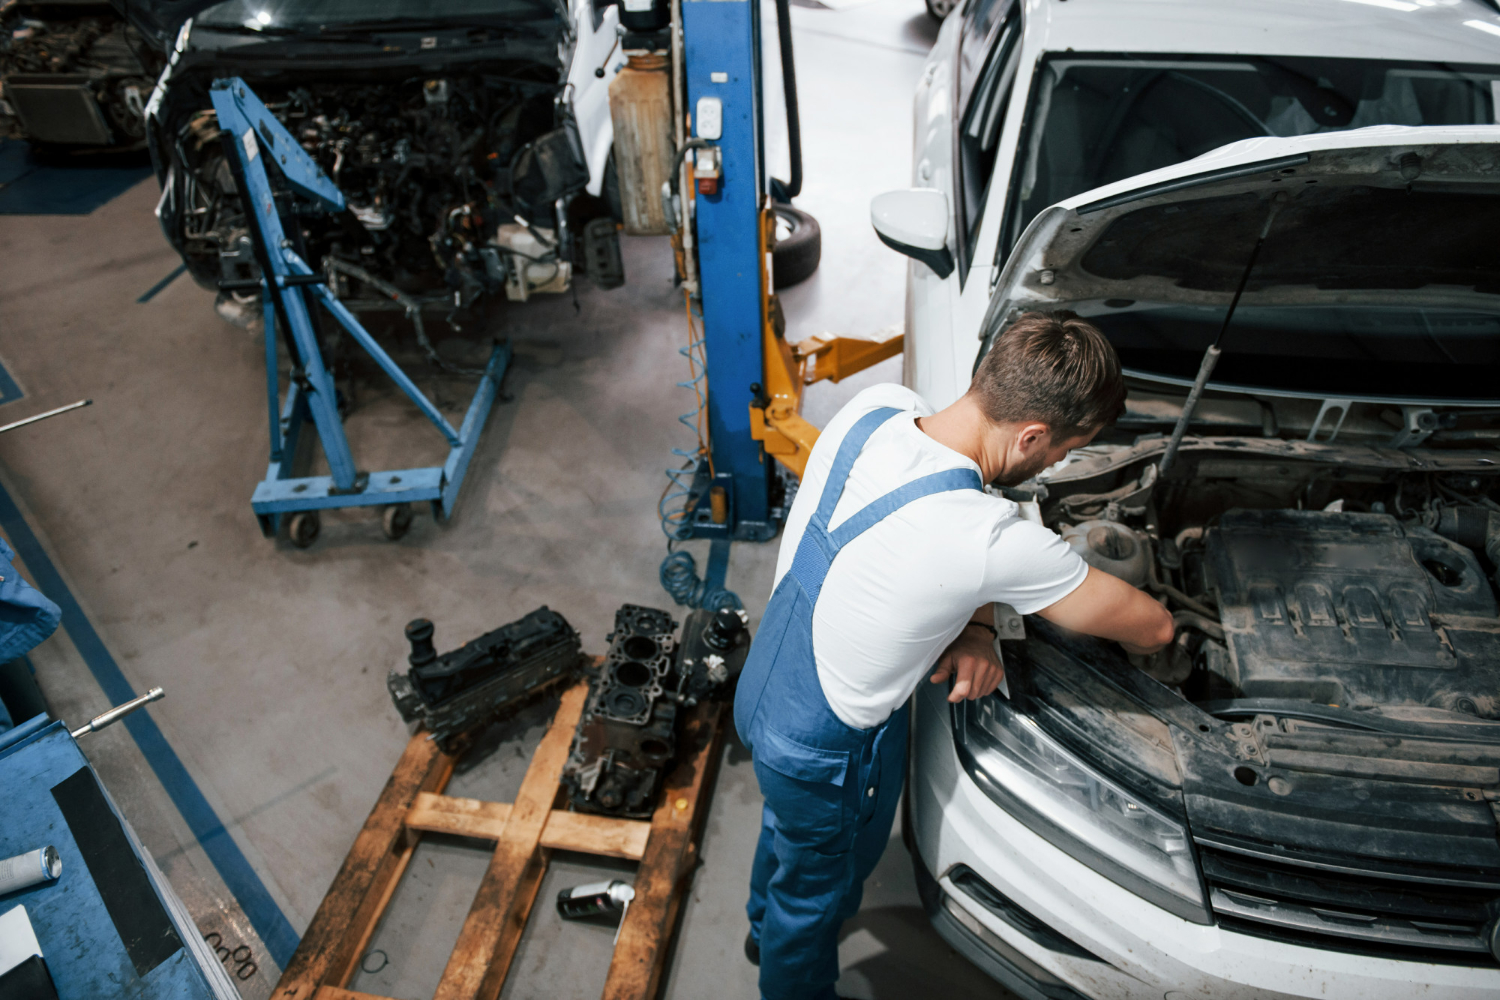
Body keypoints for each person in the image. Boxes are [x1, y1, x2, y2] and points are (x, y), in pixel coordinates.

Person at [733, 311, 1175, 1000]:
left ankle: (760, 925)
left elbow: (932, 555)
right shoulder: (991, 539)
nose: (1050, 467)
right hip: (825, 748)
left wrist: (976, 626)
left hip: (768, 683)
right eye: (1057, 454)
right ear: (1031, 434)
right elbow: (1150, 628)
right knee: (813, 900)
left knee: (789, 839)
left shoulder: (878, 408)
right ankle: (787, 974)